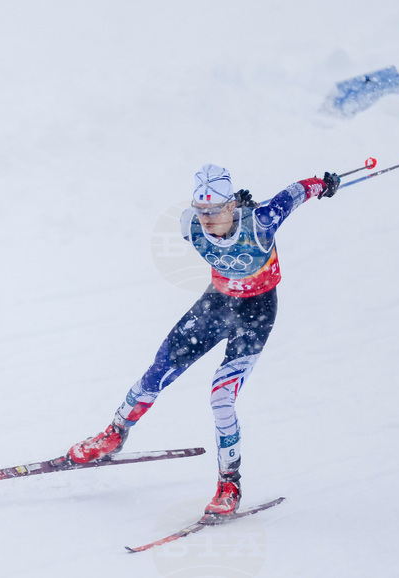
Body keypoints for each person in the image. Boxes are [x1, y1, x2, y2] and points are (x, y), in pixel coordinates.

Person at [66, 163, 341, 516]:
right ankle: (114, 435)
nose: (206, 219)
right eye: (201, 210)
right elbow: (205, 220)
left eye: (214, 210)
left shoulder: (262, 222)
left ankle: (229, 485)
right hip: (217, 303)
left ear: (230, 207)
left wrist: (325, 184)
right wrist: (230, 209)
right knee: (159, 370)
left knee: (221, 396)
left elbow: (296, 192)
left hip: (254, 315)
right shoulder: (189, 224)